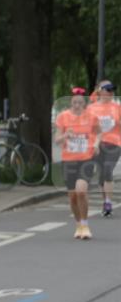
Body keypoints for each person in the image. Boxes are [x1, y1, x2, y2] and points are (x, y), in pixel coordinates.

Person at [54, 87, 102, 240]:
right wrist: (65, 135)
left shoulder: (92, 117)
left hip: (86, 159)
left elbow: (99, 132)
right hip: (68, 160)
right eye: (74, 102)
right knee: (73, 197)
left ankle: (85, 224)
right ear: (71, 103)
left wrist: (96, 144)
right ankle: (78, 225)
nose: (77, 105)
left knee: (81, 191)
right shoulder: (63, 117)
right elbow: (57, 139)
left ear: (84, 104)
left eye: (80, 103)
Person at [87, 80, 121, 217]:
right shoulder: (91, 108)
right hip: (97, 144)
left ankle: (108, 202)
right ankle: (105, 202)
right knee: (102, 175)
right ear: (100, 91)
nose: (111, 92)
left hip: (114, 143)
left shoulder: (117, 107)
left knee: (107, 171)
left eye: (112, 90)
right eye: (108, 89)